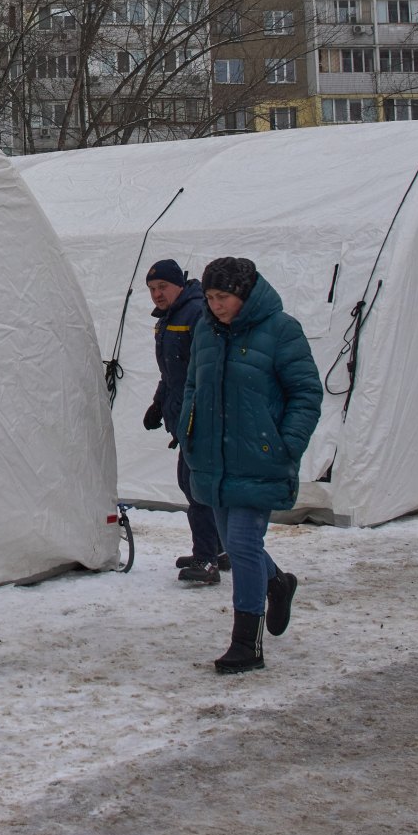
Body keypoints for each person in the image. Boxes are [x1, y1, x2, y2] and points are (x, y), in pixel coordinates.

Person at [179, 256, 322, 674]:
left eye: (223, 296)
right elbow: (193, 384)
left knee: (241, 544)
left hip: (258, 457)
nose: (215, 305)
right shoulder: (205, 330)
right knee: (236, 543)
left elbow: (306, 393)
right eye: (209, 297)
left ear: (245, 293)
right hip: (213, 456)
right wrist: (189, 430)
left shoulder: (281, 330)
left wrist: (284, 444)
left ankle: (247, 644)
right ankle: (276, 582)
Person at [138, 259, 224, 585]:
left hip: (200, 418)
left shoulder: (196, 314)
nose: (157, 294)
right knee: (193, 484)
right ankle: (219, 549)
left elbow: (203, 372)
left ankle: (207, 558)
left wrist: (198, 415)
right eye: (152, 289)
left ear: (179, 284)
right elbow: (172, 373)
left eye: (162, 287)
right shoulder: (168, 319)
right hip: (183, 415)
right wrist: (158, 404)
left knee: (196, 487)